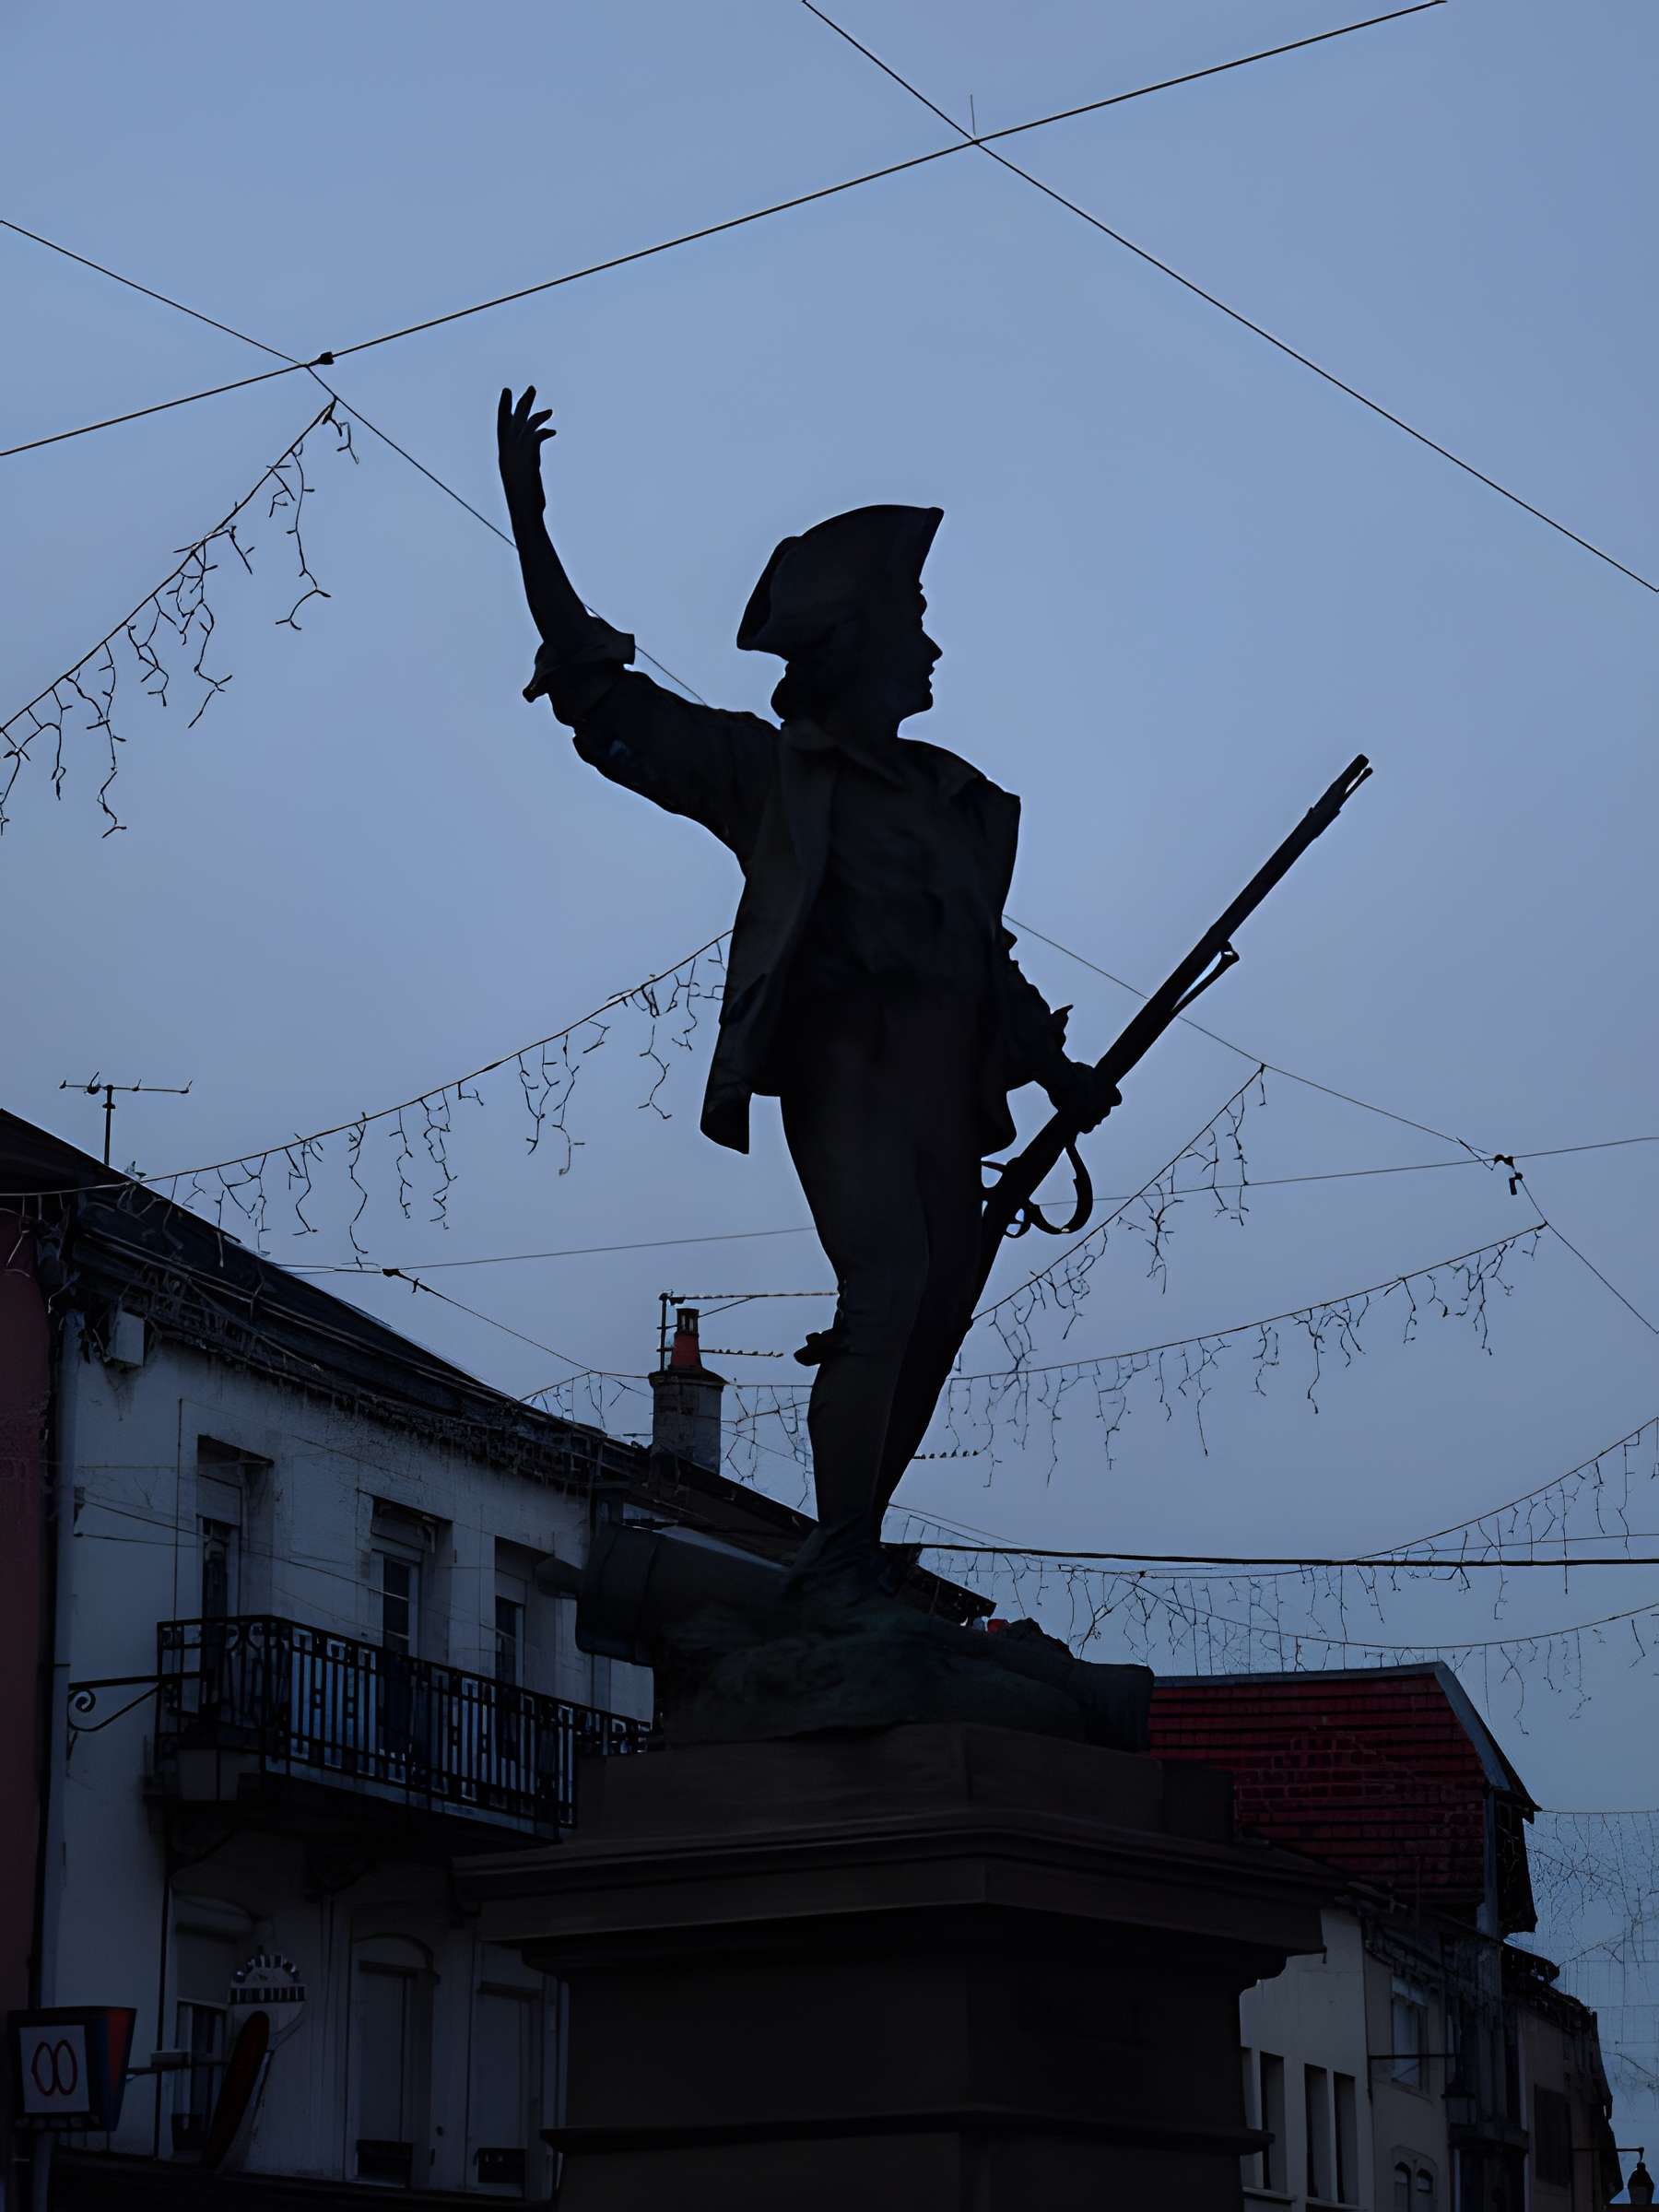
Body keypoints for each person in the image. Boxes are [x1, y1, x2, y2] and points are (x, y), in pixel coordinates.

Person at [497, 385, 1113, 1596]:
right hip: (846, 1061)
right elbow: (602, 699)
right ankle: (837, 1560)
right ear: (860, 648)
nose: (933, 645)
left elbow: (986, 960)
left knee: (937, 1306)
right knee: (886, 1291)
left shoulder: (951, 800)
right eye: (916, 622)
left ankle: (854, 1549)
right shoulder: (772, 774)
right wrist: (530, 520)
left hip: (949, 1073)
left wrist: (1054, 1069)